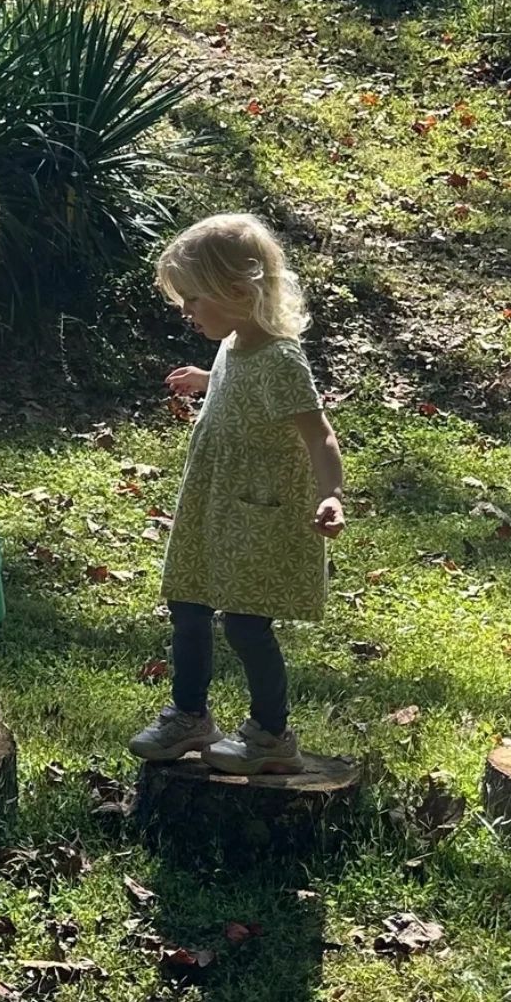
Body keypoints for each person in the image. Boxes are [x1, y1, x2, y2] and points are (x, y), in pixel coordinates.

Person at [130, 213, 345, 775]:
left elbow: (319, 435)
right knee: (189, 600)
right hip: (213, 501)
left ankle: (272, 734)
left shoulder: (280, 358)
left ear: (238, 292)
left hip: (258, 511)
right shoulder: (234, 343)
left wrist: (332, 495)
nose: (187, 311)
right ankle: (190, 713)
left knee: (247, 623)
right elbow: (238, 382)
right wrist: (207, 378)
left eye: (194, 299)